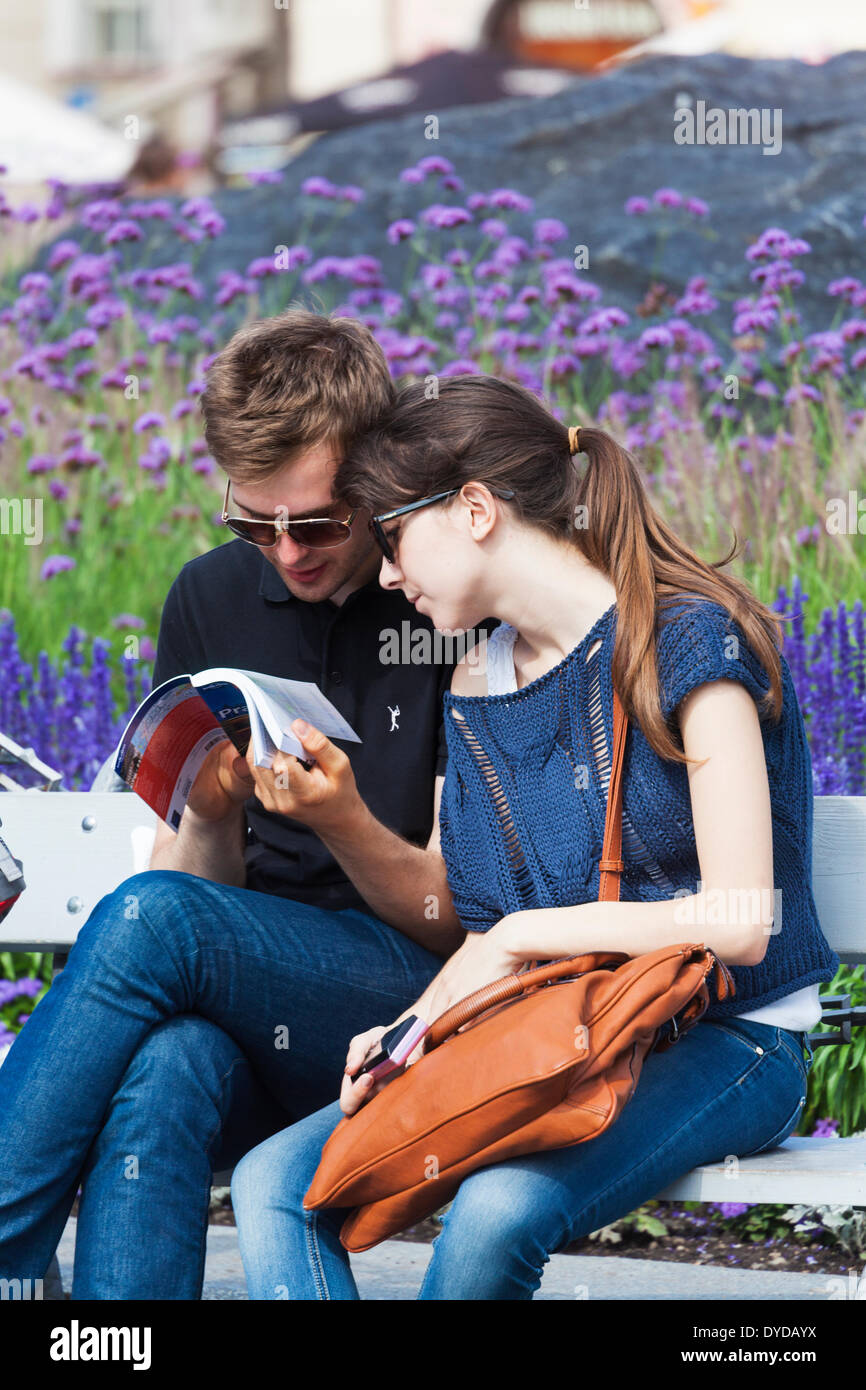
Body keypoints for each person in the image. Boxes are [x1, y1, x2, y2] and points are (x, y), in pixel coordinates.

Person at [230, 374, 840, 1300]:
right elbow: (485, 928)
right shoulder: (475, 684)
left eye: (392, 536)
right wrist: (408, 1031)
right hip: (564, 1027)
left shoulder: (689, 644)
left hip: (732, 1038)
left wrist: (524, 934)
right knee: (272, 1183)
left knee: (495, 1213)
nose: (387, 573)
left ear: (473, 509)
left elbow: (742, 919)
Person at [0, 310, 489, 1299]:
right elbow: (200, 902)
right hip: (251, 1008)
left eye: (314, 523)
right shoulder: (209, 599)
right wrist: (214, 808)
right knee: (166, 1068)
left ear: (374, 473)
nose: (287, 551)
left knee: (148, 915)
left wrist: (342, 819)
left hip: (413, 1010)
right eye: (252, 522)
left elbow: (456, 924)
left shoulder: (443, 598)